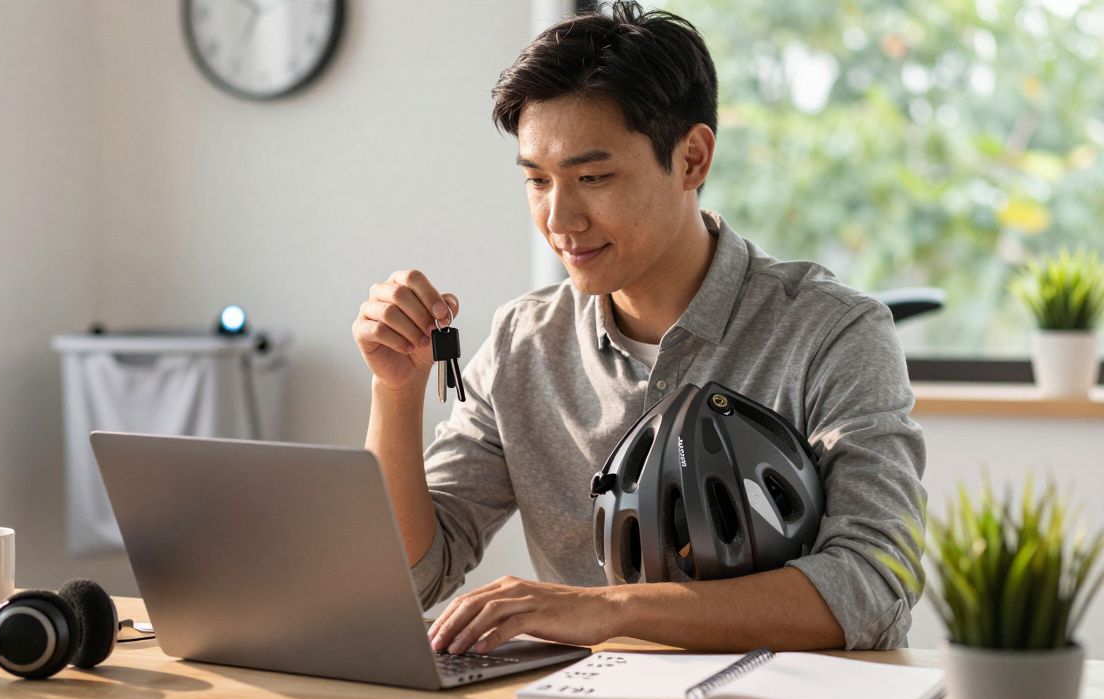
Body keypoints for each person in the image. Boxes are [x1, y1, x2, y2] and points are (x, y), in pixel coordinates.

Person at [350, 1, 925, 656]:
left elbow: (875, 583)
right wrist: (395, 391)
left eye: (593, 177)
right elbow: (415, 575)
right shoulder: (522, 344)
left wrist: (607, 610)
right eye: (537, 181)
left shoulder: (832, 332)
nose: (560, 219)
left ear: (692, 160)